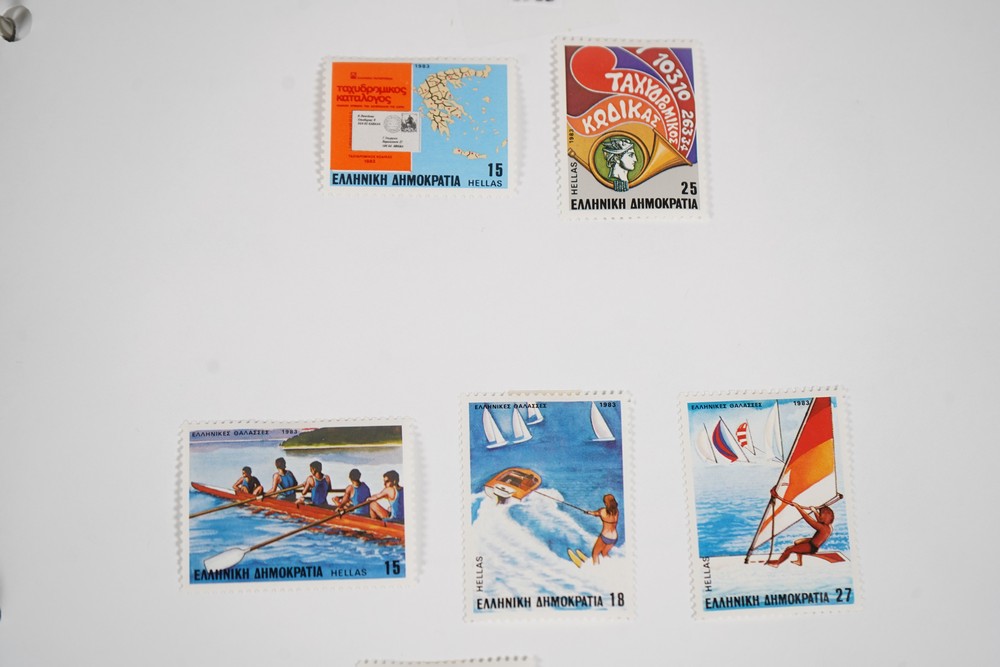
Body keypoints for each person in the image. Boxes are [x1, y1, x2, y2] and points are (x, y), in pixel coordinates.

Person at [766, 486, 835, 567]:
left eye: (820, 513)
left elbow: (808, 518)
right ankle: (799, 561)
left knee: (789, 549)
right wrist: (815, 511)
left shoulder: (822, 528)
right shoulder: (828, 526)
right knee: (797, 542)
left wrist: (798, 507)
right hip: (813, 542)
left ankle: (777, 563)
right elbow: (820, 520)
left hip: (811, 547)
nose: (819, 514)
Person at [587, 494, 620, 564]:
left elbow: (594, 513)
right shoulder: (616, 512)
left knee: (595, 554)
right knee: (604, 553)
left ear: (606, 503)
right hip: (614, 537)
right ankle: (614, 565)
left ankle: (596, 567)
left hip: (605, 536)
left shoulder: (602, 511)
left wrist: (588, 512)